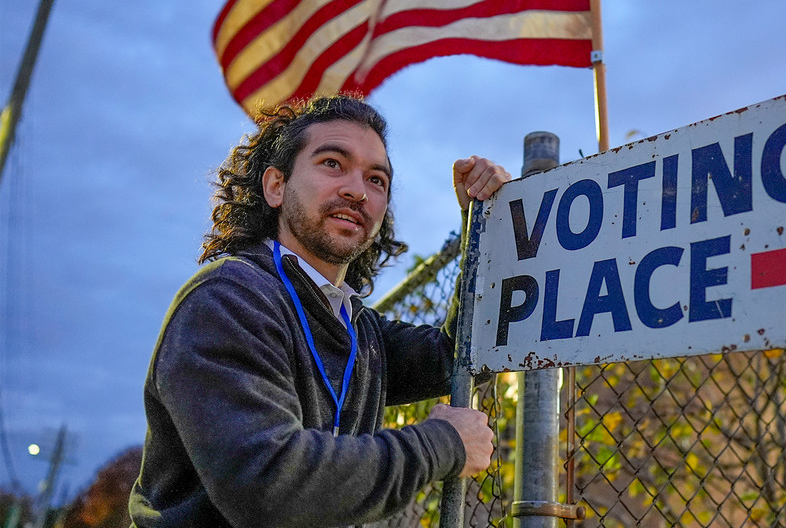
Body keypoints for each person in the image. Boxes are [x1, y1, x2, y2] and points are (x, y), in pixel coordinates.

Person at [129, 95, 510, 527]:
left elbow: (460, 357)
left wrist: (485, 224)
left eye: (376, 180)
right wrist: (442, 444)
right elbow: (269, 487)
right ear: (276, 186)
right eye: (332, 163)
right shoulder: (227, 299)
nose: (356, 190)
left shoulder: (359, 329)